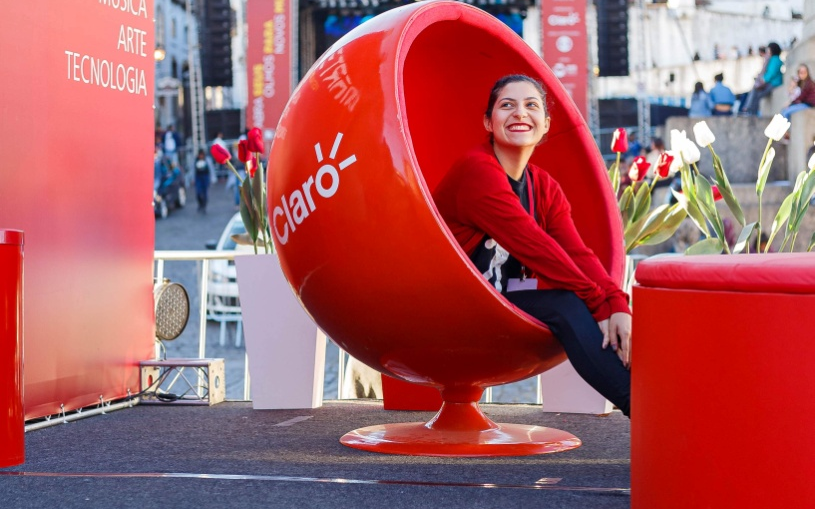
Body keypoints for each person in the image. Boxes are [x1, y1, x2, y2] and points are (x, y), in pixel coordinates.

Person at [432, 74, 632, 416]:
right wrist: (598, 302)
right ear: (488, 121)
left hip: (498, 299)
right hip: (448, 307)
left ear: (545, 125)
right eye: (506, 105)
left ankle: (658, 408)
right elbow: (535, 246)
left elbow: (576, 253)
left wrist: (617, 304)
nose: (520, 113)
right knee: (568, 303)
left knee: (579, 304)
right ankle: (647, 411)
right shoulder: (477, 171)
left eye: (531, 106)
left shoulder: (543, 186)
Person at [742, 42, 784, 116]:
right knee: (755, 90)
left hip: (773, 83)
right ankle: (750, 110)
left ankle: (750, 110)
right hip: (770, 82)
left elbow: (772, 73)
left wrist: (763, 79)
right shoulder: (772, 59)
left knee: (757, 93)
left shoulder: (775, 59)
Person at [193, 148, 212, 213]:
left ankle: (204, 205)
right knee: (198, 192)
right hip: (198, 177)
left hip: (205, 177)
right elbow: (193, 170)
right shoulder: (196, 160)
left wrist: (212, 179)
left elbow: (210, 169)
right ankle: (200, 203)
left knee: (205, 193)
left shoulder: (207, 160)